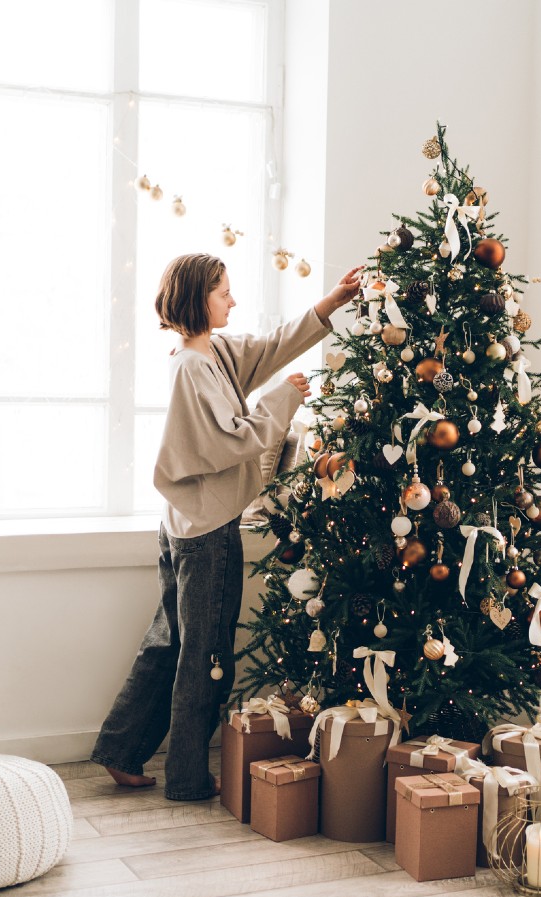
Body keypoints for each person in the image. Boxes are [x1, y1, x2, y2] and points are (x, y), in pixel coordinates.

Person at [90, 252, 362, 801]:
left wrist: (329, 304)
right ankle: (187, 776)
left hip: (183, 526)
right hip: (206, 533)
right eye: (223, 293)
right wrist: (286, 396)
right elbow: (231, 440)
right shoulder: (193, 367)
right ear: (198, 299)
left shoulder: (210, 353)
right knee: (205, 653)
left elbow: (268, 347)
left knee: (170, 642)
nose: (232, 300)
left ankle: (120, 750)